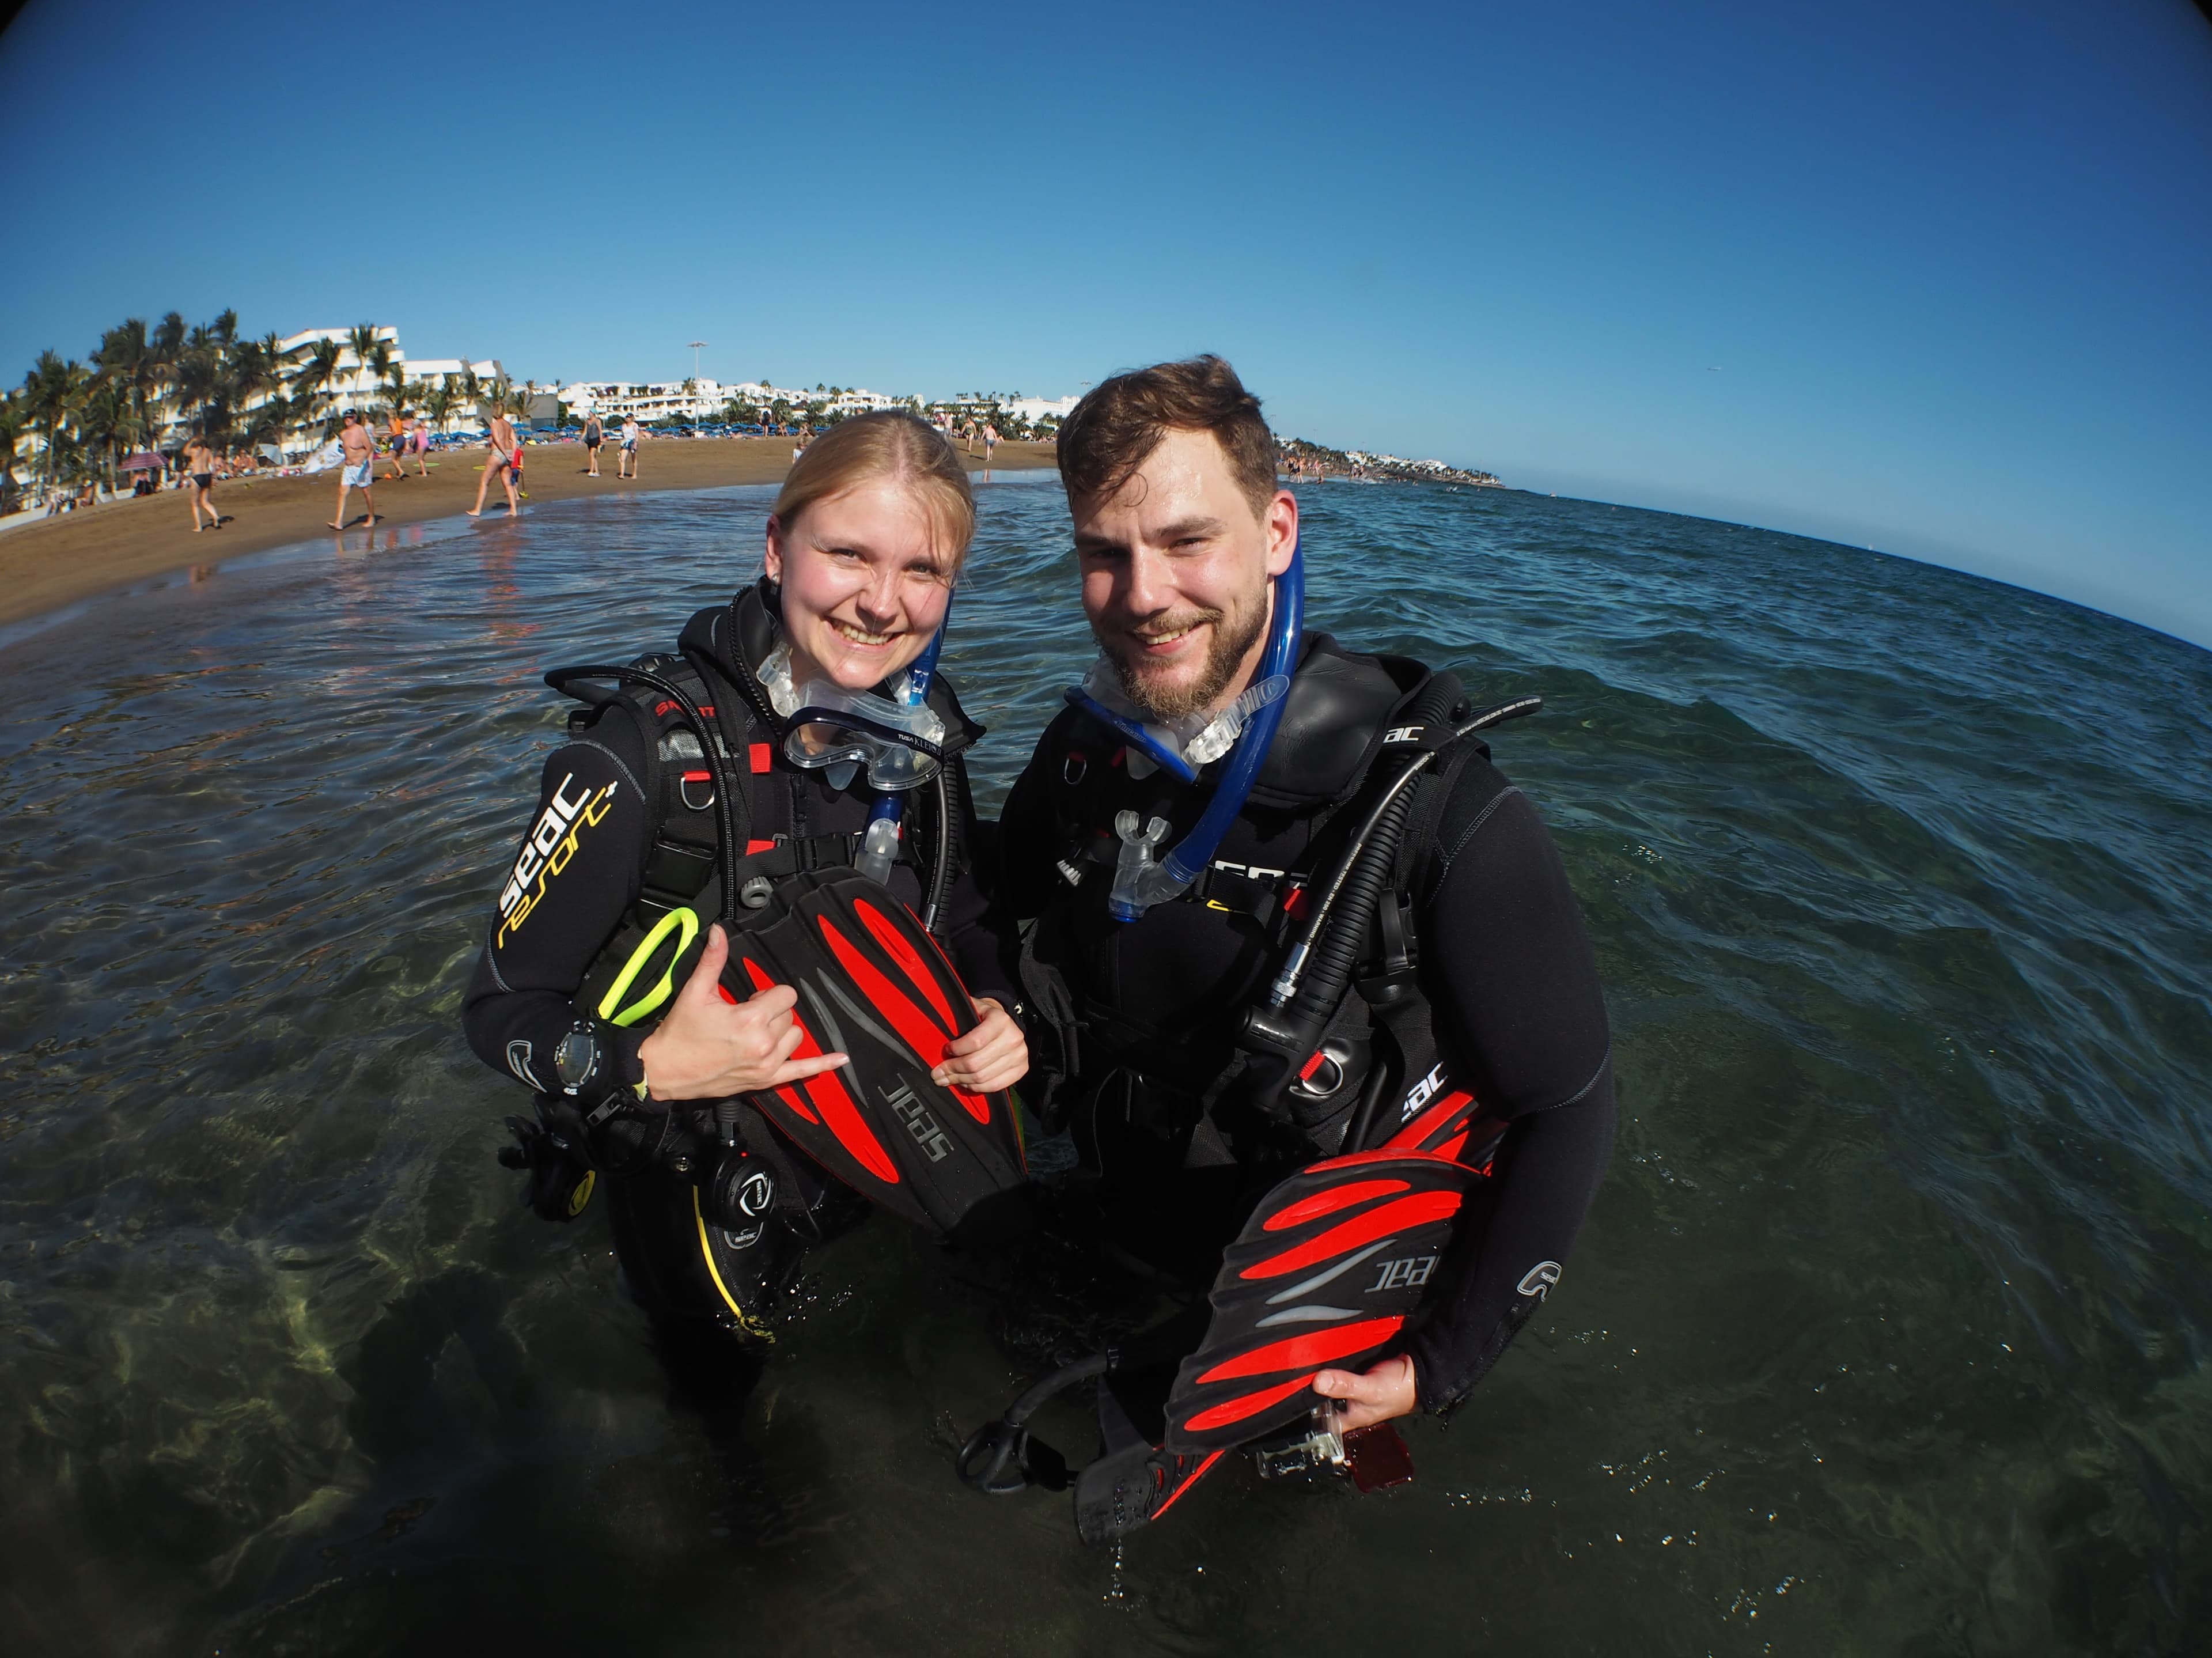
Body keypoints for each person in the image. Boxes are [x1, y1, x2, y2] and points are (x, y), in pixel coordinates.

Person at [988, 357, 1613, 1539]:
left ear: (1277, 529)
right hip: (1100, 1230)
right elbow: (992, 901)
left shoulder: (1437, 813)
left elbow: (1569, 1104)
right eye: (1103, 554)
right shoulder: (1085, 752)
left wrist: (1442, 1365)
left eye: (1186, 541)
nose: (1143, 595)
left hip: (1296, 1331)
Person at [460, 410, 1029, 1378]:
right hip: (693, 1174)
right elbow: (496, 1008)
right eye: (847, 553)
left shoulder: (924, 746)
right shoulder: (643, 755)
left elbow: (964, 920)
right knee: (736, 1465)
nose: (883, 603)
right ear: (776, 548)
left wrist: (1000, 1008)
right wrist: (648, 1068)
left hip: (884, 1142)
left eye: (923, 571)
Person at [328, 411, 378, 529]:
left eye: (350, 417)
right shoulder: (343, 434)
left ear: (355, 418)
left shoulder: (360, 430)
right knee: (342, 492)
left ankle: (371, 517)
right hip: (348, 467)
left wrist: (362, 459)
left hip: (360, 467)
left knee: (366, 492)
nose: (348, 420)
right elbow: (343, 451)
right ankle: (338, 522)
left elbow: (369, 447)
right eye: (346, 418)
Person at [468, 407, 521, 517]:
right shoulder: (508, 425)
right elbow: (515, 440)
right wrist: (512, 453)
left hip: (498, 453)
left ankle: (477, 510)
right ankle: (513, 510)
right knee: (508, 483)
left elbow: (497, 440)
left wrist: (505, 454)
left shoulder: (495, 425)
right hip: (509, 452)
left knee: (485, 481)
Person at [183, 436, 221, 531]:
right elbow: (213, 465)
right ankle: (215, 516)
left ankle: (198, 526)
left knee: (195, 503)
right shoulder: (208, 451)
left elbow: (185, 451)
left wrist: (191, 441)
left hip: (197, 476)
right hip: (207, 475)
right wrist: (214, 478)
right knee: (205, 502)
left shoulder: (193, 450)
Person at [382, 409, 411, 480]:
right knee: (398, 458)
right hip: (402, 438)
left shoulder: (391, 420)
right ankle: (398, 473)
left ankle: (401, 472)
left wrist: (387, 437)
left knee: (393, 458)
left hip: (397, 438)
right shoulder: (398, 420)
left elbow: (394, 431)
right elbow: (401, 429)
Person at [582, 411, 604, 476]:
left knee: (592, 454)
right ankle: (597, 472)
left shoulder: (598, 421)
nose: (589, 414)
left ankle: (591, 471)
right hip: (589, 440)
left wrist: (601, 440)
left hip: (596, 439)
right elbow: (585, 431)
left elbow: (600, 431)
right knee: (593, 456)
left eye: (590, 412)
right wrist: (581, 439)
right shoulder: (587, 422)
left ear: (594, 413)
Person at [618, 414, 641, 478]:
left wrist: (636, 443)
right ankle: (622, 474)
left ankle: (635, 474)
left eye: (629, 417)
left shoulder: (635, 425)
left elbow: (636, 434)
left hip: (632, 441)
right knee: (622, 458)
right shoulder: (624, 426)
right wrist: (622, 441)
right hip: (626, 442)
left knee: (634, 458)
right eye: (627, 417)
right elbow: (623, 435)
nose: (627, 418)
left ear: (632, 418)